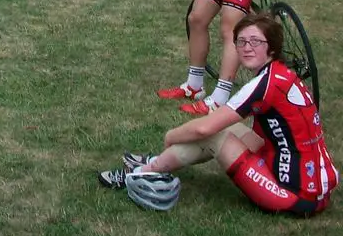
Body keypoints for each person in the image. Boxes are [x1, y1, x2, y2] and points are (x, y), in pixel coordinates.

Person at [100, 12, 337, 216]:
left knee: (214, 135)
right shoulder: (282, 74)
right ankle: (157, 164)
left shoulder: (264, 84)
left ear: (272, 48)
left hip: (295, 195)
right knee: (228, 129)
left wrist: (172, 136)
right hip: (313, 184)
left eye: (255, 41)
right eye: (241, 41)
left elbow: (205, 128)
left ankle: (141, 174)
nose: (247, 47)